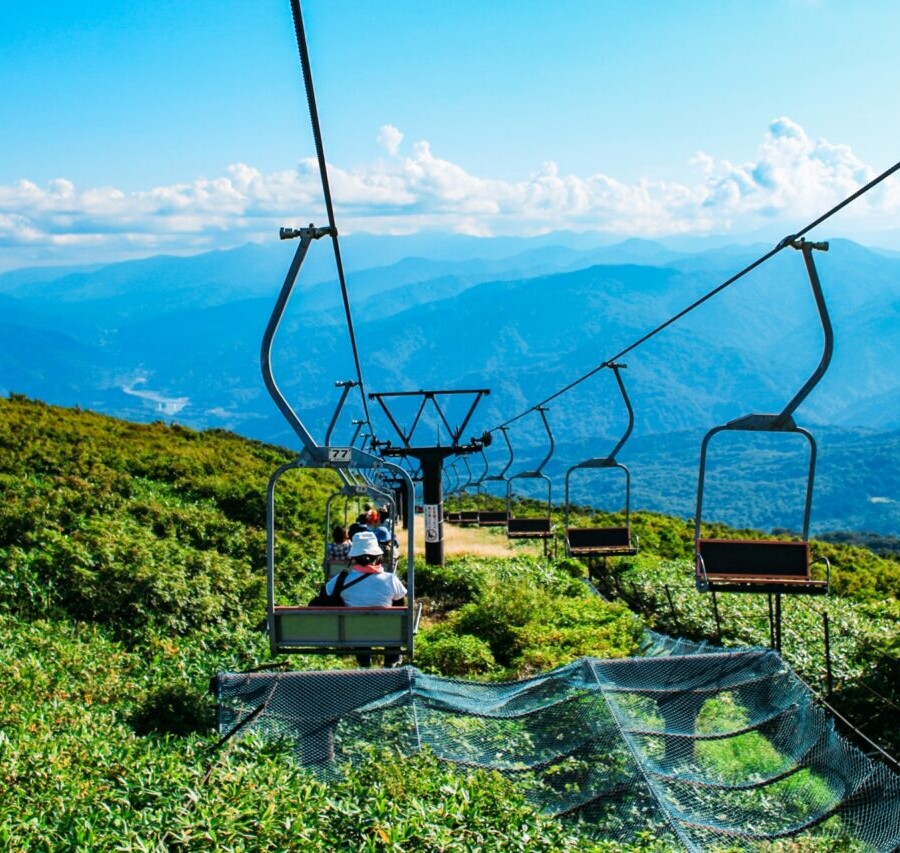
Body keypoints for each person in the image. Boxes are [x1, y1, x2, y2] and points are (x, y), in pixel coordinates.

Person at [324, 530, 407, 667]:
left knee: (359, 627)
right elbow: (400, 606)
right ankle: (390, 662)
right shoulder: (390, 579)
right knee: (395, 621)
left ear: (353, 558)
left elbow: (325, 596)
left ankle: (364, 664)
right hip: (388, 635)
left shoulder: (341, 580)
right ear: (378, 556)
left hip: (355, 634)